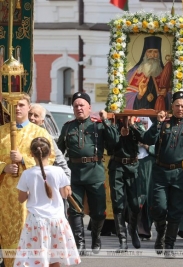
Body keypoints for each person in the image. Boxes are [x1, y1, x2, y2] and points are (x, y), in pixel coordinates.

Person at [57, 92, 119, 255]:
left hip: (95, 172)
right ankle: (79, 243)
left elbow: (114, 141)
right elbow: (58, 152)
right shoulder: (68, 126)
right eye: (76, 106)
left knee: (99, 211)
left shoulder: (98, 125)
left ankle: (96, 237)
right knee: (75, 209)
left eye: (82, 105)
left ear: (89, 107)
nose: (79, 108)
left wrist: (106, 121)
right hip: (74, 173)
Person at [0, 93, 55, 267]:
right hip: (4, 196)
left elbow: (49, 160)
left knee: (28, 234)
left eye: (21, 105)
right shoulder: (2, 131)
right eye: (14, 105)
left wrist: (24, 160)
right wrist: (3, 167)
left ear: (29, 107)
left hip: (30, 196)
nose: (17, 108)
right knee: (7, 234)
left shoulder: (39, 133)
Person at [142, 91, 183, 257]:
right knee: (159, 207)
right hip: (161, 172)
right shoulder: (163, 123)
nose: (180, 109)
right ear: (172, 106)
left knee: (175, 211)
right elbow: (147, 139)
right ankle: (160, 232)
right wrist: (157, 125)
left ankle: (169, 245)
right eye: (177, 105)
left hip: (181, 174)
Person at [14, 137, 81, 267]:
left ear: (31, 154)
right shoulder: (59, 171)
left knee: (35, 259)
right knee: (55, 258)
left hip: (36, 222)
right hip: (56, 221)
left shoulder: (27, 174)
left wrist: (29, 192)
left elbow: (21, 198)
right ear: (50, 153)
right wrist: (67, 189)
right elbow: (65, 194)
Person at [108, 115, 146, 252]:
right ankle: (122, 239)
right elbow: (109, 143)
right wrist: (112, 127)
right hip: (117, 166)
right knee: (118, 203)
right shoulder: (112, 123)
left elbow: (146, 138)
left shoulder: (137, 123)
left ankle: (133, 229)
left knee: (135, 204)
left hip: (133, 166)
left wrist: (132, 125)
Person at [126, 36, 173, 111]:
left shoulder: (165, 74)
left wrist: (166, 95)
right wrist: (139, 95)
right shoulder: (133, 72)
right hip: (138, 114)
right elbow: (126, 98)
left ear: (159, 54)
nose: (152, 55)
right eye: (150, 51)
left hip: (159, 114)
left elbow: (171, 97)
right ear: (145, 53)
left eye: (155, 52)